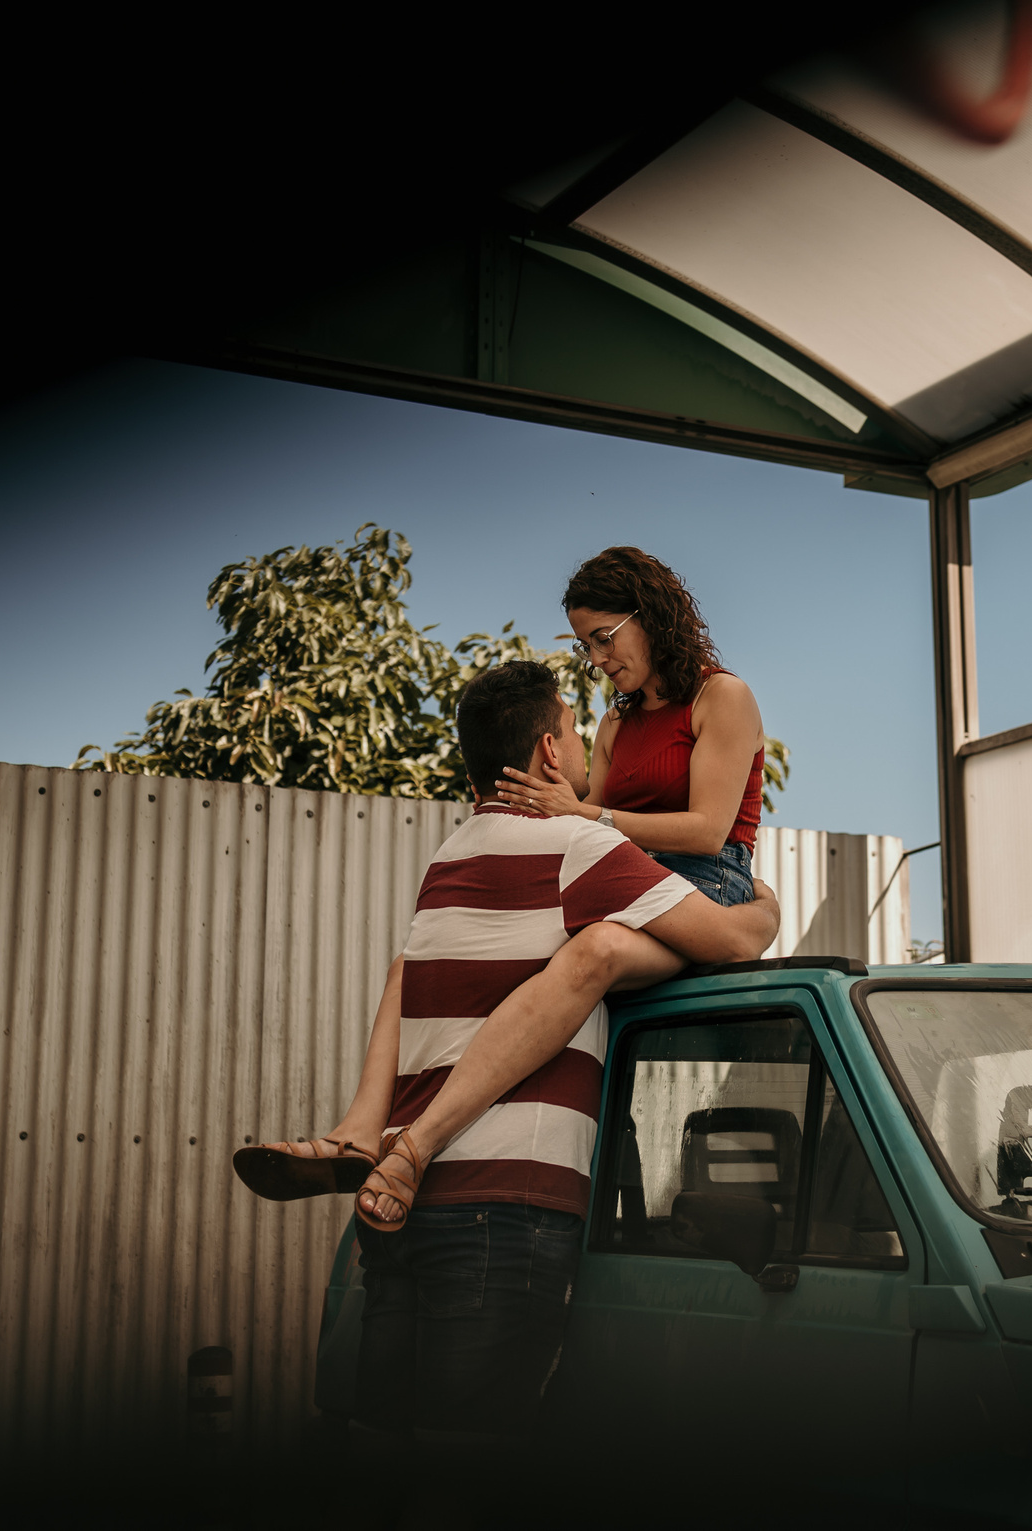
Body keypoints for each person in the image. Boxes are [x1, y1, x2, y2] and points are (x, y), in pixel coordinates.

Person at [236, 660, 779, 1441]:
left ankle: (360, 1132)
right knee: (470, 1470)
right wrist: (764, 905)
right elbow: (729, 941)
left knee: (386, 1447)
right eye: (571, 723)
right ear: (549, 753)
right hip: (506, 1204)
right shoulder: (577, 847)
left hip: (401, 1212)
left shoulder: (447, 860)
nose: (585, 738)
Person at [492, 547, 767, 909]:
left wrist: (580, 812)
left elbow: (707, 833)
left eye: (603, 638)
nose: (596, 659)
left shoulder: (721, 696)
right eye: (586, 646)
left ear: (650, 619)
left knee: (597, 945)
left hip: (708, 880)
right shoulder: (615, 723)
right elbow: (583, 822)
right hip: (628, 878)